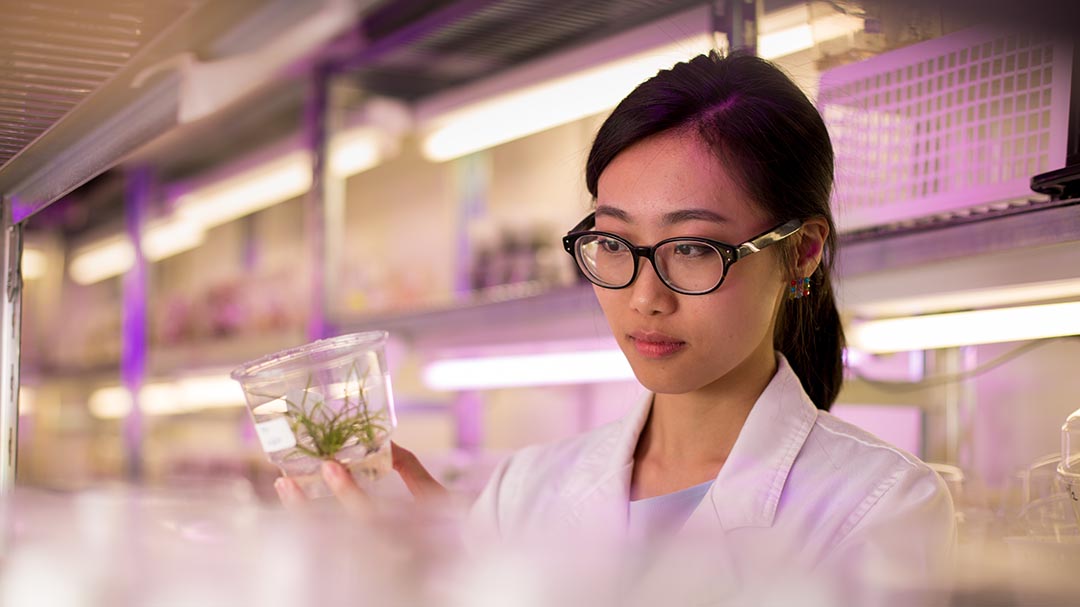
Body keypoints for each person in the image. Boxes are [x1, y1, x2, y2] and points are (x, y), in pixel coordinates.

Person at [275, 51, 956, 602]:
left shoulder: (881, 505)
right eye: (615, 245)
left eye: (693, 248)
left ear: (801, 250)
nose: (644, 296)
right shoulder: (524, 492)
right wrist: (414, 578)